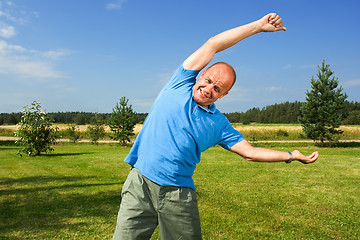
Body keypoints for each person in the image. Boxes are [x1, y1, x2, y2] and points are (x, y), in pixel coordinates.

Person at [113, 13, 319, 239]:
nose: (208, 88)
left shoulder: (219, 124)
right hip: (139, 184)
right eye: (208, 80)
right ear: (200, 74)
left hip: (178, 195)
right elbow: (213, 44)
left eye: (218, 89)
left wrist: (291, 155)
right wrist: (258, 27)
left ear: (224, 95)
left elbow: (250, 152)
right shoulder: (179, 84)